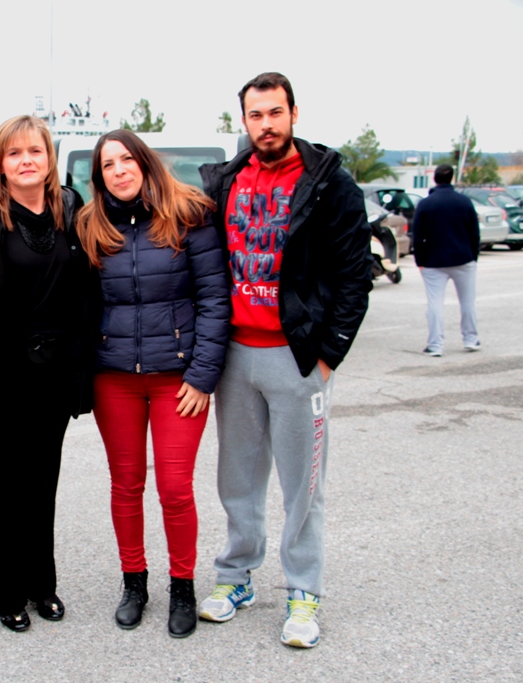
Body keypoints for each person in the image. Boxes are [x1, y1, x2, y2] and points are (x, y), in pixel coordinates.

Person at [197, 72, 372, 648]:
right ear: (243, 121)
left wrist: (329, 356)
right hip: (236, 357)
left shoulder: (330, 184)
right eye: (256, 115)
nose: (266, 124)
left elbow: (354, 277)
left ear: (294, 113)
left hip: (297, 359)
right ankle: (236, 577)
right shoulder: (226, 181)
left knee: (303, 486)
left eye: (275, 112)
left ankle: (303, 591)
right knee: (237, 479)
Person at [75, 129, 230, 638]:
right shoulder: (90, 225)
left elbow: (215, 299)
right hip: (114, 378)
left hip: (178, 380)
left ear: (144, 163)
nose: (118, 171)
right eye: (107, 165)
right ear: (99, 177)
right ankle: (134, 582)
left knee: (175, 488)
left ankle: (182, 586)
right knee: (125, 485)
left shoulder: (190, 215)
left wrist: (203, 375)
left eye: (126, 160)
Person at [0, 115, 95, 632]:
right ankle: (9, 592)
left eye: (35, 151)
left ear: (49, 158)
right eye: (14, 153)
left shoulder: (70, 209)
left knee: (44, 481)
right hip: (5, 371)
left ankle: (43, 584)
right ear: (0, 162)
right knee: (9, 485)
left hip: (56, 371)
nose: (26, 161)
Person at [412, 163, 481, 356]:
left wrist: (420, 261)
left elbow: (418, 236)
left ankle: (435, 345)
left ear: (434, 178)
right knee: (467, 302)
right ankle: (471, 339)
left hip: (433, 262)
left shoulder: (425, 204)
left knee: (435, 304)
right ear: (452, 179)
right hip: (463, 259)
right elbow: (474, 233)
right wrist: (473, 256)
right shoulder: (464, 202)